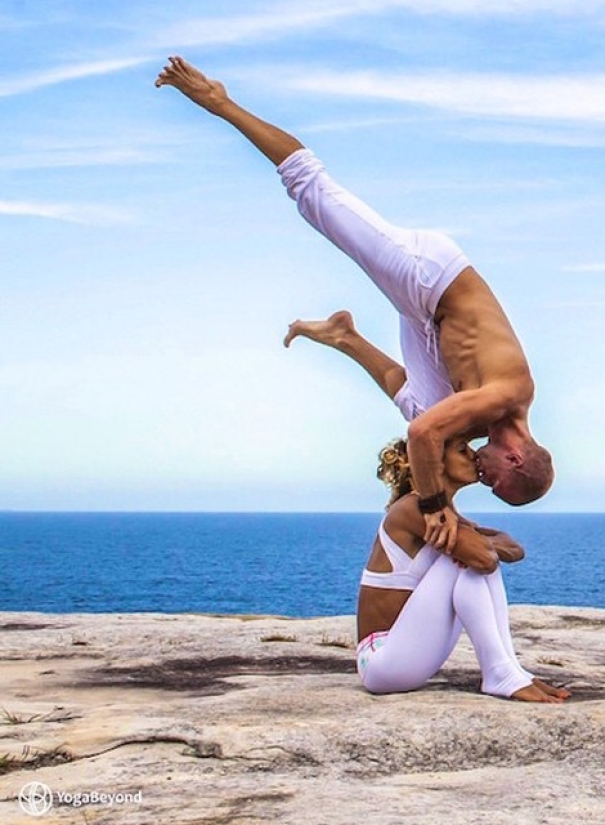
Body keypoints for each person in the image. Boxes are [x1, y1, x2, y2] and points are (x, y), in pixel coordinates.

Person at [155, 57, 555, 554]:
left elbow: (422, 421)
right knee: (314, 194)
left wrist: (467, 527)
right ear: (515, 458)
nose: (484, 481)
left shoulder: (482, 422)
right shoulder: (509, 393)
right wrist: (436, 509)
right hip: (431, 277)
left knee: (424, 409)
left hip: (428, 322)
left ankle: (346, 336)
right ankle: (219, 101)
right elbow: (422, 435)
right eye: (496, 483)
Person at [357, 435, 569, 703]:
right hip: (380, 661)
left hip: (410, 657)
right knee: (462, 562)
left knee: (467, 558)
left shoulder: (447, 516)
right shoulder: (413, 507)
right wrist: (480, 547)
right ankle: (500, 673)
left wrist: (481, 545)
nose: (474, 454)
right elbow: (485, 558)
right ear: (435, 463)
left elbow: (514, 549)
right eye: (462, 450)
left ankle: (509, 668)